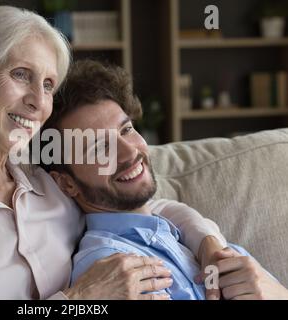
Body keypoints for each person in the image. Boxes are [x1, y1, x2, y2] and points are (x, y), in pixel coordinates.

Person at [0, 6, 228, 300]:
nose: (39, 102)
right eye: (21, 74)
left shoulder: (51, 181)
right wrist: (79, 301)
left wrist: (209, 244)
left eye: (48, 85)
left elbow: (150, 206)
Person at [42, 59, 288, 300]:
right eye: (100, 148)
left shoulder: (188, 238)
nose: (131, 152)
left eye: (126, 129)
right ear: (67, 183)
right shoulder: (111, 271)